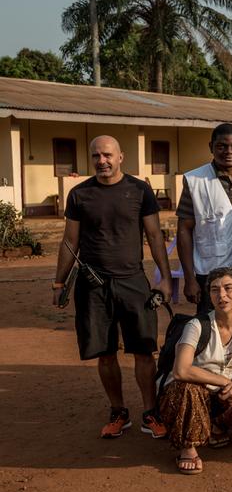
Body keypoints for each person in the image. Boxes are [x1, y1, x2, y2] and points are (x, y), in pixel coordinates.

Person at [53, 135, 173, 439]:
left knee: (144, 350)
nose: (101, 161)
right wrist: (59, 281)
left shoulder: (139, 190)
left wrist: (166, 278)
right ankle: (119, 412)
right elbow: (70, 241)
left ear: (121, 157)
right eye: (96, 156)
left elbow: (155, 236)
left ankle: (150, 413)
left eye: (107, 155)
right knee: (105, 353)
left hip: (132, 282)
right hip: (92, 286)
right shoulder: (80, 195)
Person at [158, 267, 232, 475]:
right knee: (188, 389)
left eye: (228, 288)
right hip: (185, 396)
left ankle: (216, 427)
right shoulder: (197, 325)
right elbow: (181, 370)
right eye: (214, 290)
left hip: (219, 396)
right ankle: (188, 448)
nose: (221, 295)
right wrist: (225, 382)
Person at [176, 123, 232, 316]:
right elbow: (184, 230)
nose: (229, 152)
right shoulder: (194, 180)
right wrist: (190, 279)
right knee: (212, 326)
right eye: (221, 146)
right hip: (210, 271)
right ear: (211, 147)